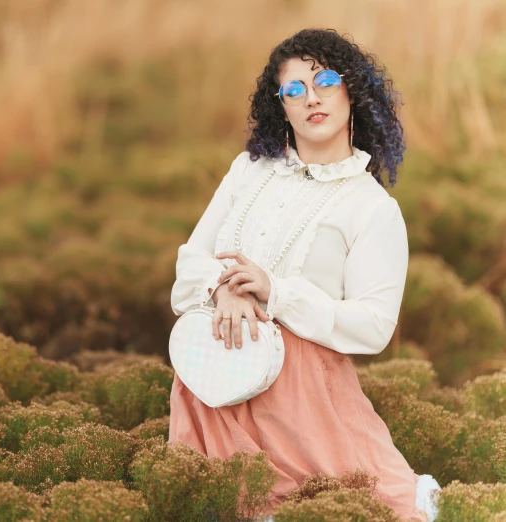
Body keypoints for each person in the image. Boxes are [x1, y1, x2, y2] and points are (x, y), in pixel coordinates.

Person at [168, 29, 441, 521]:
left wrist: (278, 294)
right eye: (293, 90)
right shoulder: (248, 170)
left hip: (302, 407)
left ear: (352, 90)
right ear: (282, 107)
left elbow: (375, 326)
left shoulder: (372, 208)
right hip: (210, 379)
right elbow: (191, 261)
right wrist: (224, 290)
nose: (311, 98)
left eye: (325, 81)